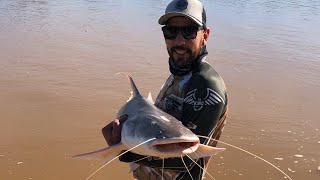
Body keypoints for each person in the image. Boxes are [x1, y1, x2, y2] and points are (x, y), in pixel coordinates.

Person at [102, 0, 228, 179]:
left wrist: (123, 150)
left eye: (189, 31)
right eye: (171, 31)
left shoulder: (205, 85)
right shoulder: (182, 71)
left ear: (205, 35)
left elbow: (187, 157)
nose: (179, 41)